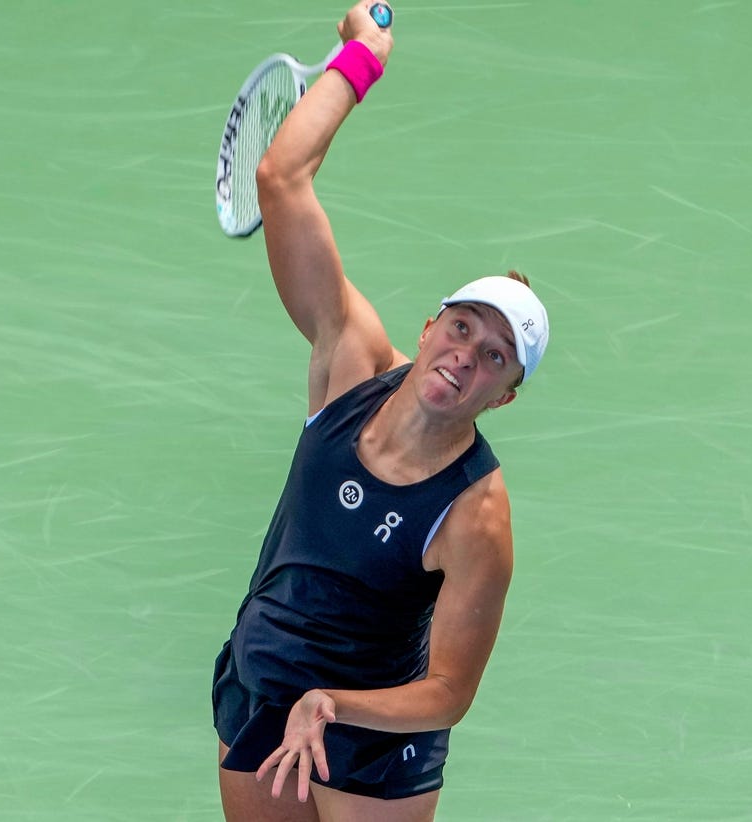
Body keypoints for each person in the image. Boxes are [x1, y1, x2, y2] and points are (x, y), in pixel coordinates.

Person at [210, 3, 550, 819]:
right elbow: (281, 177)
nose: (467, 353)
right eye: (462, 327)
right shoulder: (350, 362)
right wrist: (364, 57)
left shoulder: (477, 513)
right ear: (431, 327)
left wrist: (336, 703)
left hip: (374, 735)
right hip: (260, 686)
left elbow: (448, 692)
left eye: (495, 356)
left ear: (503, 395)